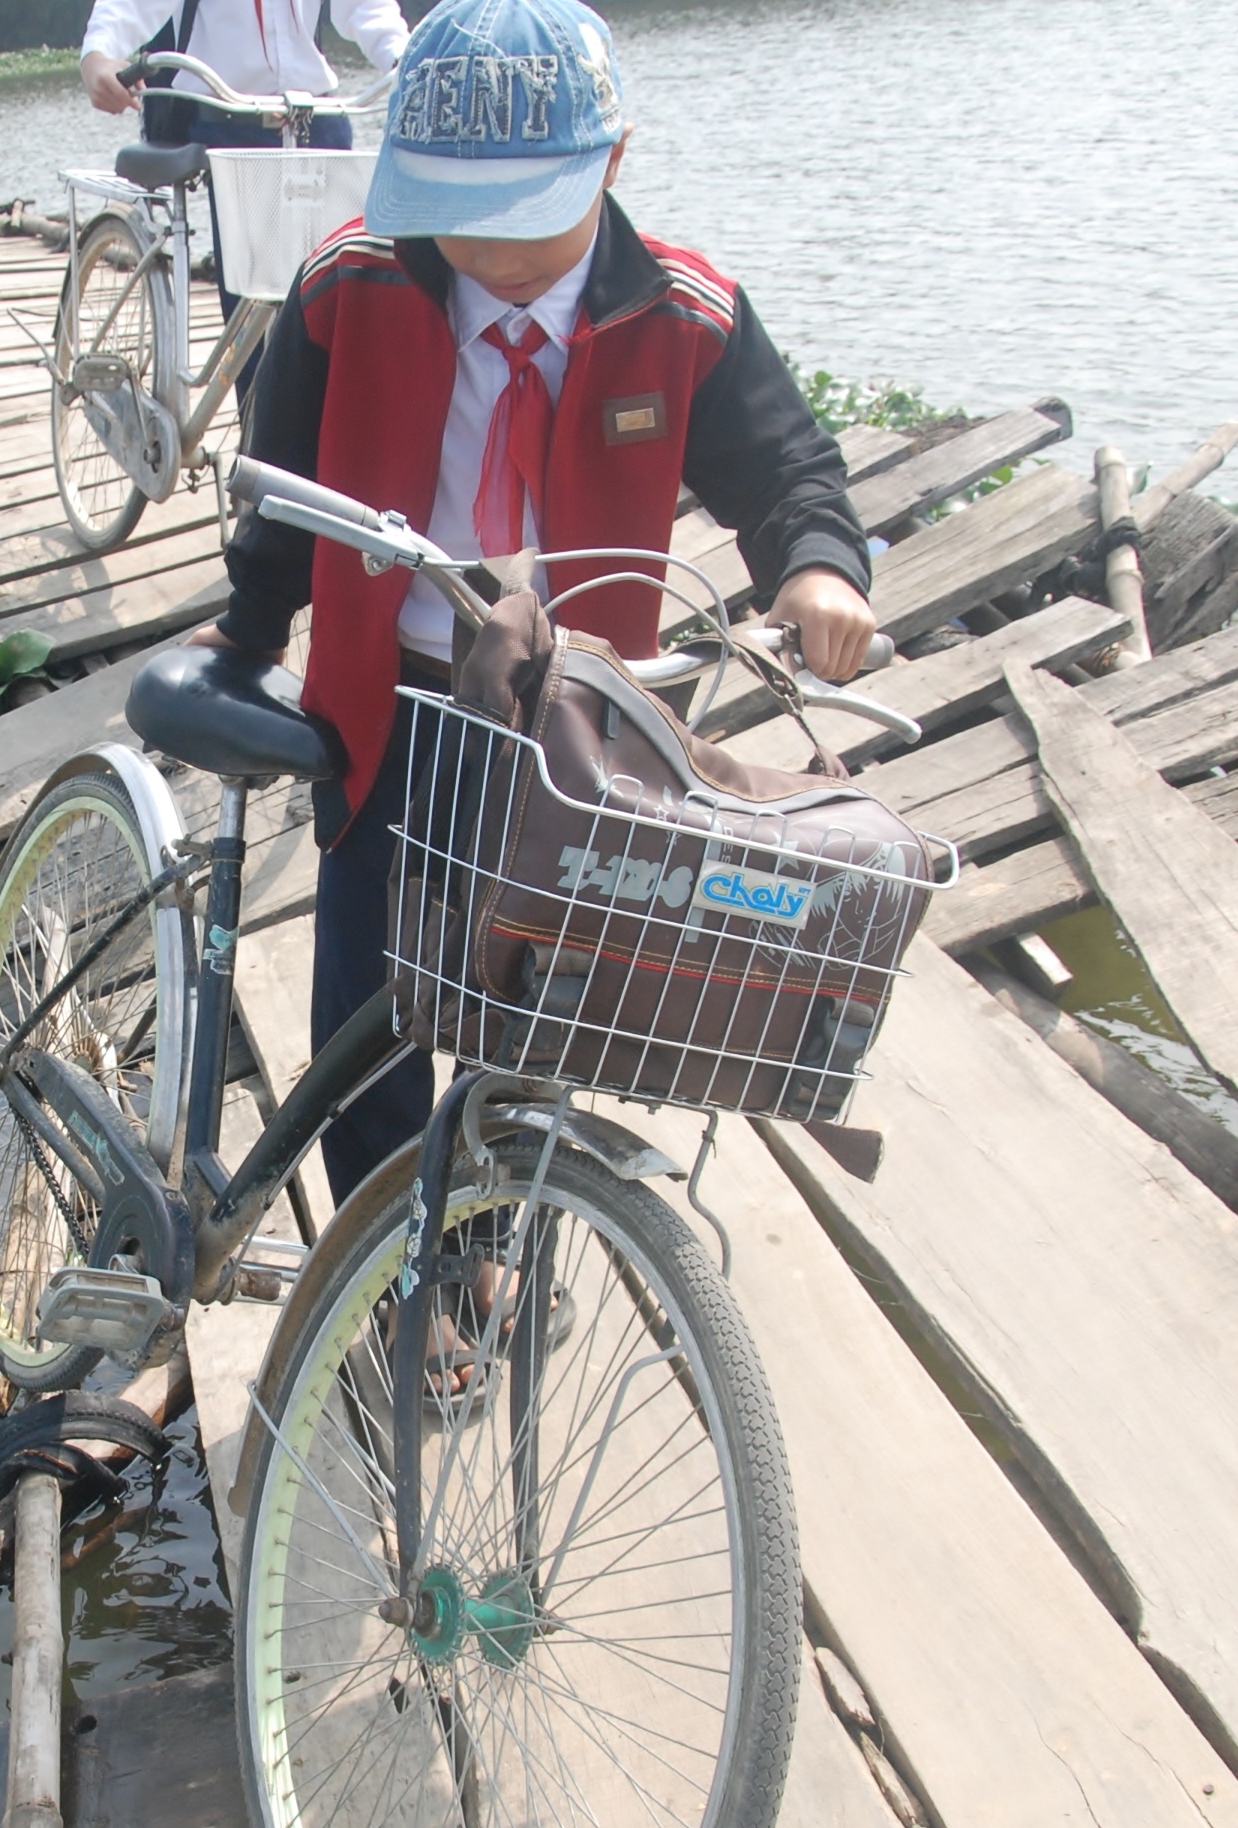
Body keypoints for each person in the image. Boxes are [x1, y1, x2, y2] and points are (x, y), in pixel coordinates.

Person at [193, 0, 877, 1204]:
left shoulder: (683, 316)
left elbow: (786, 471)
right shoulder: (345, 285)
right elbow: (283, 485)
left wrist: (817, 567)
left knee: (551, 985)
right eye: (456, 216)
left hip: (580, 718)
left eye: (523, 218)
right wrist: (247, 629)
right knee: (377, 1002)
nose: (492, 254)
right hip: (393, 698)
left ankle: (502, 1229)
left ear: (614, 163)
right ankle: (389, 1265)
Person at [77, 0, 409, 316]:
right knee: (251, 300)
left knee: (345, 281)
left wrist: (403, 58)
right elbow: (130, 7)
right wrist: (99, 56)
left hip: (315, 115)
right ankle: (252, 373)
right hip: (225, 116)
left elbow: (367, 8)